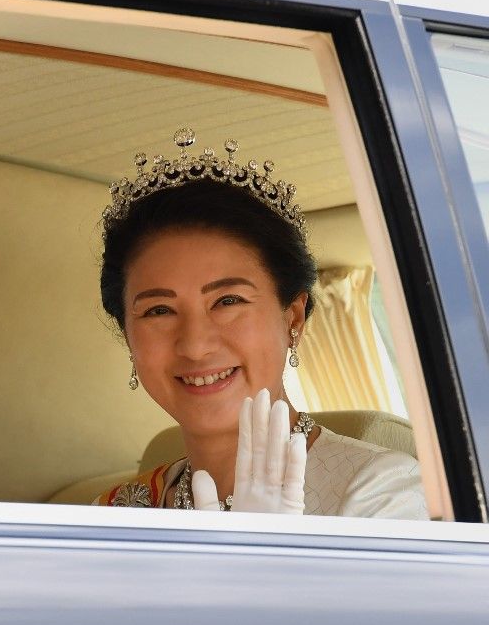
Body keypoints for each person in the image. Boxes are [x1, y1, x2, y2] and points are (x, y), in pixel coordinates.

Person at [93, 127, 427, 519]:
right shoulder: (116, 511)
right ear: (128, 337)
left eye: (228, 301)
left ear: (293, 317)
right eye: (158, 311)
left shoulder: (381, 492)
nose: (196, 345)